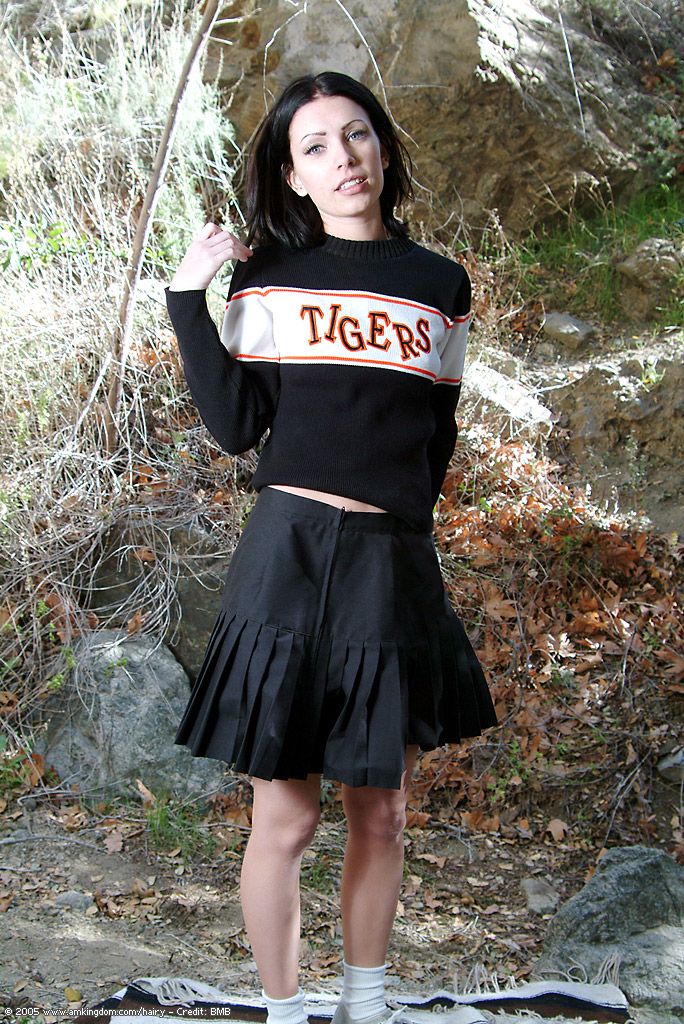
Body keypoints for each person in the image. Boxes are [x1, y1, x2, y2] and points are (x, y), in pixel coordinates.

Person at [164, 71, 497, 1024]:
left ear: (381, 147)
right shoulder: (270, 276)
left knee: (381, 810)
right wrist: (188, 297)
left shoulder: (440, 285)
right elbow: (237, 426)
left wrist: (406, 531)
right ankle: (284, 1010)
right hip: (289, 556)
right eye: (314, 146)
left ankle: (364, 1006)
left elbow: (436, 431)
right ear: (293, 175)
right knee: (288, 814)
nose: (342, 158)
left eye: (356, 135)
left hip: (390, 566)